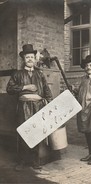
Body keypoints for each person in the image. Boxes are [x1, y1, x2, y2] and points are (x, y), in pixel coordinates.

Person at [6, 44, 53, 173]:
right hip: (23, 107)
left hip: (38, 107)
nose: (30, 59)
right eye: (27, 57)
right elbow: (9, 89)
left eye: (32, 57)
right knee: (23, 133)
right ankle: (21, 161)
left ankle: (35, 162)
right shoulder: (17, 74)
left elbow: (47, 92)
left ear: (34, 58)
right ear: (24, 59)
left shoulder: (40, 74)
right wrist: (24, 87)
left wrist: (50, 105)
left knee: (37, 133)